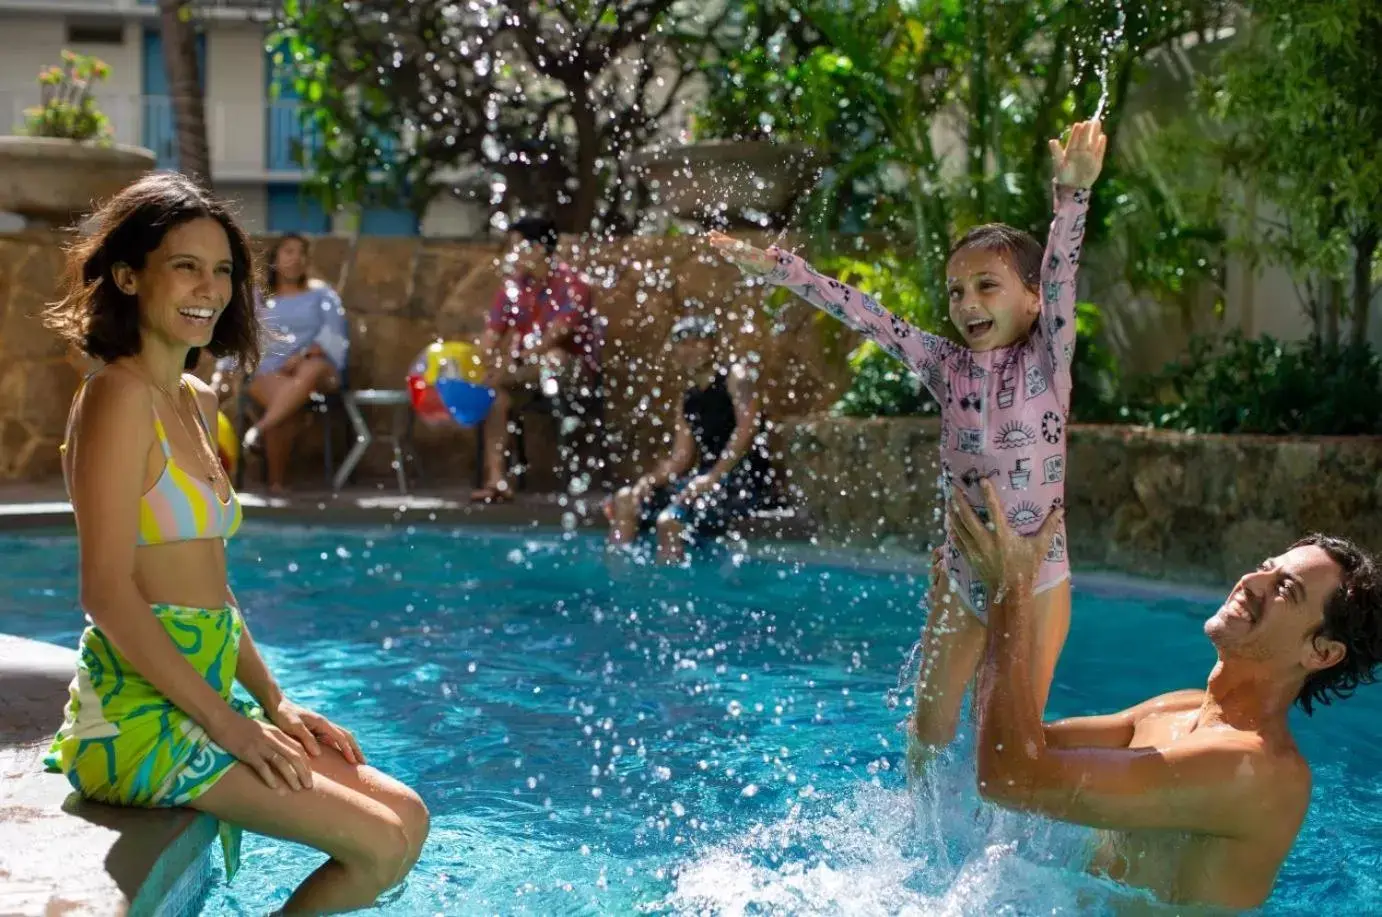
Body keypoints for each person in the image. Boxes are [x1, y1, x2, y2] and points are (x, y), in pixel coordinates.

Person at [40, 172, 428, 913]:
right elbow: (107, 589)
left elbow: (210, 591)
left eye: (222, 270)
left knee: (407, 817)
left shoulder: (194, 396)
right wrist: (227, 725)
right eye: (185, 265)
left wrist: (274, 701)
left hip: (203, 697)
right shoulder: (117, 399)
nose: (209, 288)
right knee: (376, 844)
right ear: (128, 275)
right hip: (135, 720)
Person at [712, 121, 1108, 759]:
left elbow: (1063, 272)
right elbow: (868, 316)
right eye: (956, 290)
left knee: (1009, 731)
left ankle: (1010, 843)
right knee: (928, 731)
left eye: (987, 285)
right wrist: (783, 269)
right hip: (963, 572)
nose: (966, 302)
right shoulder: (943, 364)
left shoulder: (1046, 362)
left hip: (1038, 572)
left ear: (1033, 301)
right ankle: (925, 845)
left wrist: (1074, 196)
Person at [949, 476, 1382, 910]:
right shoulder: (1177, 708)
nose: (1251, 580)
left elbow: (1008, 777)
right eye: (1266, 566)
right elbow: (1005, 743)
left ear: (1322, 652)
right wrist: (985, 603)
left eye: (1284, 588)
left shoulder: (1257, 770)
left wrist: (1009, 593)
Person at [606, 315, 773, 564]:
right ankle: (618, 582)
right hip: (704, 483)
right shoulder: (688, 400)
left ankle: (672, 592)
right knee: (625, 499)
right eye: (683, 343)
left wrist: (713, 476)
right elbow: (681, 458)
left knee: (669, 521)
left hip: (740, 482)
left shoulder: (735, 377)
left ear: (714, 345)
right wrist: (647, 482)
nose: (690, 349)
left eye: (698, 342)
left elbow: (747, 430)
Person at [473, 216, 602, 503]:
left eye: (517, 247)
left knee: (552, 358)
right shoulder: (512, 288)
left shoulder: (574, 284)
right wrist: (475, 362)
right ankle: (497, 481)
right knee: (497, 397)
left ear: (541, 249)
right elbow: (490, 336)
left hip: (570, 372)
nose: (511, 255)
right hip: (524, 373)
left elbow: (553, 338)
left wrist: (509, 365)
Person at [223, 232, 349, 494]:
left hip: (316, 369)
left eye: (301, 253)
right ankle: (277, 484)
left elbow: (334, 335)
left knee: (310, 369)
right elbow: (243, 331)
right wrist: (224, 369)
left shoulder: (322, 295)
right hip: (271, 369)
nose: (296, 258)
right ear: (275, 258)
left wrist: (301, 355)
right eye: (289, 252)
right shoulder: (260, 296)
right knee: (284, 404)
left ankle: (258, 429)